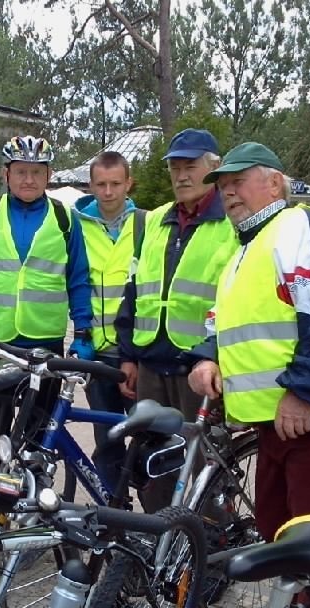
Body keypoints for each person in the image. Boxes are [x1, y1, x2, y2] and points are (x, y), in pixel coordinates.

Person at [185, 143, 310, 597]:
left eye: (238, 182)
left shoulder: (300, 227)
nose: (229, 194)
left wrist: (305, 392)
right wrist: (208, 355)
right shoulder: (245, 249)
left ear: (275, 182)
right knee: (281, 537)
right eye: (224, 186)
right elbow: (228, 322)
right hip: (275, 423)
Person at [114, 128, 239, 513]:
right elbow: (134, 288)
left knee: (205, 468)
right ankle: (156, 549)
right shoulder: (154, 221)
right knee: (155, 464)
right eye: (175, 168)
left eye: (191, 166)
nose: (181, 175)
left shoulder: (231, 223)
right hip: (151, 363)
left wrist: (216, 354)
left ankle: (212, 549)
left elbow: (238, 296)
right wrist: (129, 355)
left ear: (213, 169)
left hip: (198, 368)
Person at [0, 135, 94, 458]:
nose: (29, 180)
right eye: (21, 172)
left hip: (44, 343)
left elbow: (79, 280)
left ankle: (33, 503)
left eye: (37, 172)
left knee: (39, 438)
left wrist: (84, 332)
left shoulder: (65, 218)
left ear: (48, 175)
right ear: (7, 174)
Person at [73, 151, 139, 490]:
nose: (109, 191)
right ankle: (115, 510)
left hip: (136, 353)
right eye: (101, 184)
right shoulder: (75, 227)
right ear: (91, 185)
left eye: (116, 183)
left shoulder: (146, 225)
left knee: (147, 437)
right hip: (96, 353)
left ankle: (157, 517)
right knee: (108, 437)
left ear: (129, 183)